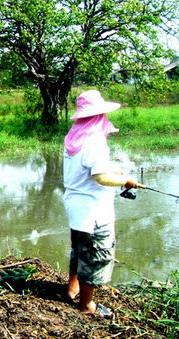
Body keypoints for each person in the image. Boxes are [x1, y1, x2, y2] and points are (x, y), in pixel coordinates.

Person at [62, 90, 140, 317]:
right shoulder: (95, 142)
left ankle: (72, 288)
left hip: (76, 207)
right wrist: (126, 180)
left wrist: (114, 171)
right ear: (98, 116)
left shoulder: (73, 139)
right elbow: (101, 177)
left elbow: (88, 170)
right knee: (95, 256)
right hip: (95, 212)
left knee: (79, 249)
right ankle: (87, 306)